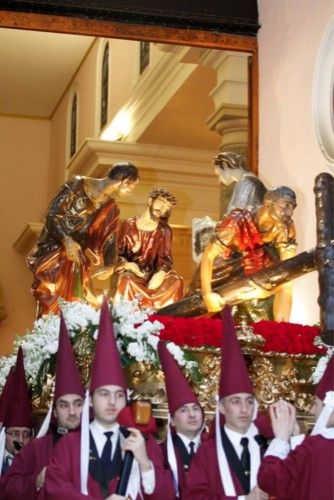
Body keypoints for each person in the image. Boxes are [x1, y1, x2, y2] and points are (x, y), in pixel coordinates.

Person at [44, 298, 175, 499]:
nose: (112, 402)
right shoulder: (69, 445)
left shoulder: (145, 444)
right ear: (90, 400)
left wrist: (144, 462)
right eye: (104, 394)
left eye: (119, 395)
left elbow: (166, 495)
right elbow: (55, 491)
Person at [27, 162, 139, 317]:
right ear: (123, 180)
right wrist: (66, 240)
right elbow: (52, 215)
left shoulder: (111, 208)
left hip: (76, 258)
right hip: (53, 249)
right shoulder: (78, 184)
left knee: (76, 299)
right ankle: (47, 329)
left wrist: (110, 265)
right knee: (49, 294)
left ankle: (67, 333)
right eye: (131, 186)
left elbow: (110, 237)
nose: (130, 191)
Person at [183, 306, 270, 499]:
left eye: (249, 401)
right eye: (236, 402)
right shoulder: (207, 452)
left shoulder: (266, 446)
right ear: (221, 406)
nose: (244, 409)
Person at [0, 313, 84, 499]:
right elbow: (6, 487)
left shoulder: (99, 442)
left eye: (77, 404)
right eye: (63, 405)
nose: (71, 411)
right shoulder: (35, 448)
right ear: (54, 411)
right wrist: (36, 481)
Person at [198, 185, 297, 322]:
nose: (290, 212)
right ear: (268, 203)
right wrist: (207, 293)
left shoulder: (285, 226)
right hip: (224, 268)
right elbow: (208, 256)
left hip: (256, 261)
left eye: (293, 207)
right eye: (285, 205)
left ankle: (281, 329)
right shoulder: (236, 221)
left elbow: (288, 269)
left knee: (285, 281)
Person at [257, 354, 334, 500]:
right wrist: (297, 439)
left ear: (329, 409)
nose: (311, 411)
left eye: (316, 405)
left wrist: (281, 438)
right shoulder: (314, 447)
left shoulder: (315, 447)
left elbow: (270, 479)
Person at [114, 187, 184, 309]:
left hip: (154, 274)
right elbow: (117, 254)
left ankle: (164, 318)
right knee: (127, 280)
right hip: (135, 275)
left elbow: (165, 259)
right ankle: (126, 318)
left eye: (167, 208)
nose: (163, 209)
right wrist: (128, 265)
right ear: (150, 200)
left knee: (176, 281)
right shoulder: (128, 225)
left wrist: (161, 273)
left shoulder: (164, 230)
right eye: (161, 203)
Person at [158, 341, 207, 497]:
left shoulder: (214, 447)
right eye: (184, 410)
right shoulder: (161, 452)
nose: (192, 415)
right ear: (172, 420)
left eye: (195, 409)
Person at [0, 347, 34, 477]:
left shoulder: (37, 465)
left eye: (26, 434)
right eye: (14, 433)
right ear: (3, 434)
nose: (20, 440)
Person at [213, 151, 266, 217]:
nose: (219, 179)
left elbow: (236, 216)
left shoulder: (246, 181)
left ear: (225, 165)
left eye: (219, 173)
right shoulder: (248, 180)